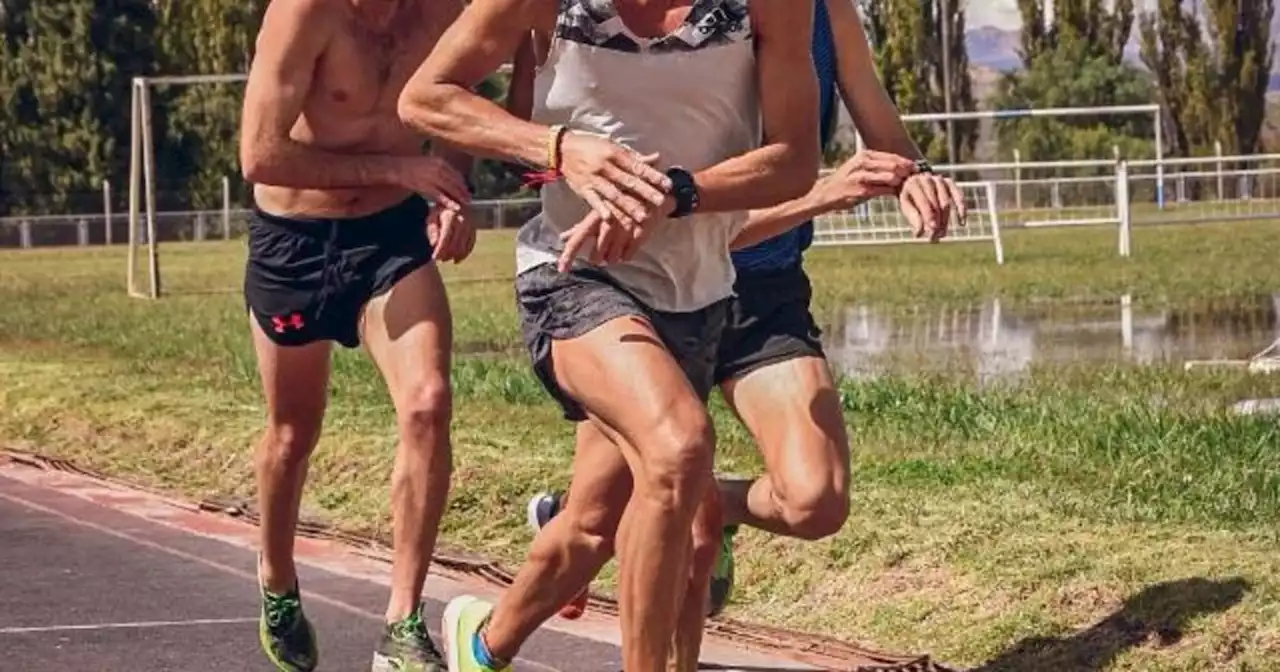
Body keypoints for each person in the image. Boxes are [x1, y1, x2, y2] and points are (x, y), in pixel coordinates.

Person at [394, 0, 870, 668]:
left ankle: (482, 643)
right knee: (678, 449)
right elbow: (425, 98)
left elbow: (792, 161)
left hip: (698, 292)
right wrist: (559, 149)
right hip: (575, 272)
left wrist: (676, 195)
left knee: (592, 527)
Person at [499, 0, 967, 667]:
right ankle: (486, 647)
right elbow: (678, 201)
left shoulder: (824, 14)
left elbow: (876, 131)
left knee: (814, 499)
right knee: (600, 524)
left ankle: (704, 499)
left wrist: (915, 176)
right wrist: (823, 196)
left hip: (760, 290)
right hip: (648, 272)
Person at [238, 0, 476, 670]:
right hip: (295, 242)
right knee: (293, 431)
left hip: (391, 241)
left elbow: (468, 90)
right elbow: (259, 153)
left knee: (428, 402)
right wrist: (398, 170)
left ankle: (402, 622)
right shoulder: (304, 12)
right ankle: (277, 578)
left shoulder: (444, 11)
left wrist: (454, 191)